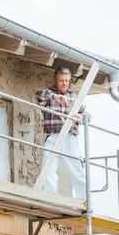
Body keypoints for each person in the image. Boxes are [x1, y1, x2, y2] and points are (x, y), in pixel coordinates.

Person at [34, 67, 90, 199]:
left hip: (70, 137)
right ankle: (50, 198)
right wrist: (55, 96)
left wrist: (82, 117)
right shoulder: (49, 95)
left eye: (66, 81)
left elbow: (87, 115)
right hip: (52, 136)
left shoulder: (74, 98)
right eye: (61, 81)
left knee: (76, 169)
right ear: (56, 80)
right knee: (48, 168)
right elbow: (38, 95)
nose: (64, 84)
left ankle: (85, 200)